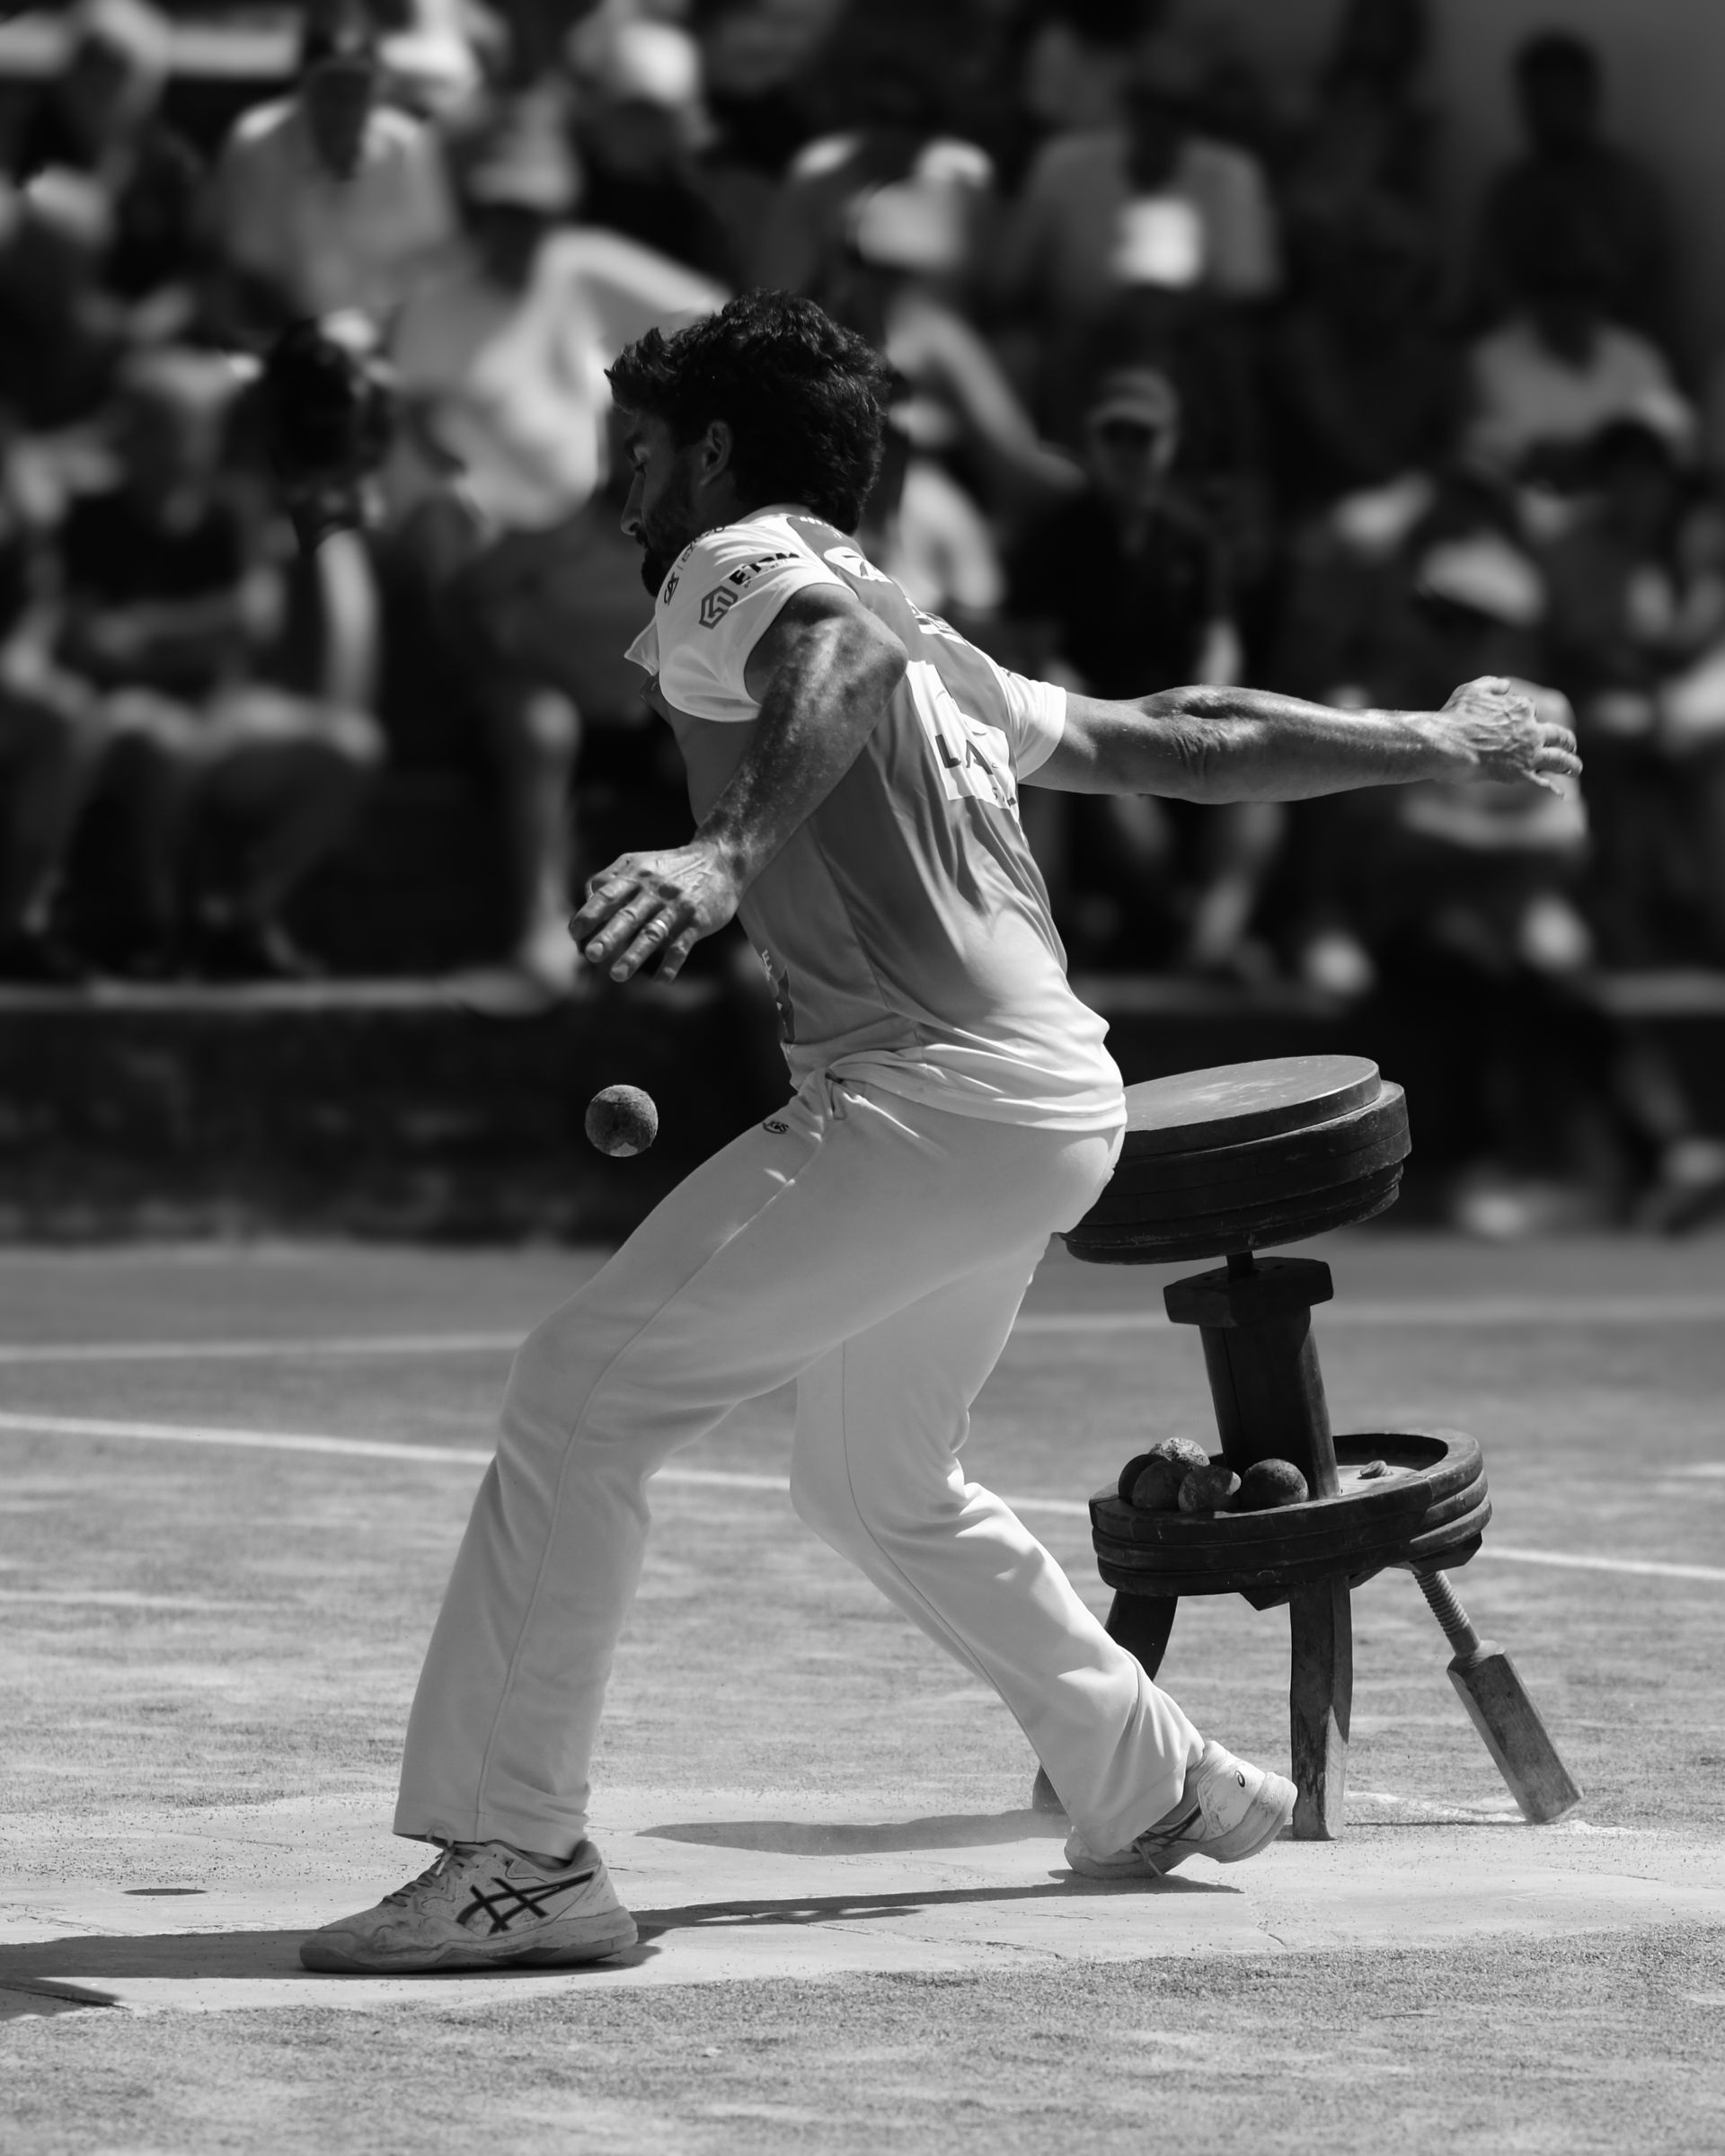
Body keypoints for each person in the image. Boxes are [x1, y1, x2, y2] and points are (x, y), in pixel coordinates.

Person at [300, 292, 1579, 1975]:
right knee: (874, 1477)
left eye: (643, 454)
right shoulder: (936, 643)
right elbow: (1182, 739)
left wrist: (723, 858)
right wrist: (1447, 737)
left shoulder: (743, 565)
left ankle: (519, 1857)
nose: (626, 496)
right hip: (1046, 1098)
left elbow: (828, 656)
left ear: (718, 453)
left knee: (578, 1397)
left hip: (933, 1091)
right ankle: (1149, 1779)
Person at [384, 97, 725, 996]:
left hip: (591, 572)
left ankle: (774, 940)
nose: (519, 229)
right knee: (539, 720)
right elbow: (429, 489)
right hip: (495, 597)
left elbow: (723, 327)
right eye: (503, 209)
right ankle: (540, 926)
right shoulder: (435, 306)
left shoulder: (583, 268)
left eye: (534, 210)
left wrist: (655, 437)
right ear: (476, 211)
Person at [56, 348, 384, 976]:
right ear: (133, 435)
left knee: (349, 750)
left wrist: (148, 632)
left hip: (224, 710)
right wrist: (202, 631)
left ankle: (243, 917)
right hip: (126, 717)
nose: (184, 447)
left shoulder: (232, 511)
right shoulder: (93, 517)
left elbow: (254, 623)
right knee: (164, 741)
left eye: (194, 430)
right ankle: (155, 924)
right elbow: (91, 644)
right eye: (166, 429)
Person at [209, 0, 456, 336]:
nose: (345, 103)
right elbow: (250, 274)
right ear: (303, 86)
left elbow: (430, 263)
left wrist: (376, 333)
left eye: (357, 87)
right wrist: (314, 339)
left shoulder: (409, 145)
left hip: (386, 339)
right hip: (281, 340)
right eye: (332, 87)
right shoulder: (254, 140)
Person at [1470, 31, 1676, 358]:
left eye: (1561, 98)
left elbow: (1644, 295)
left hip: (1615, 352)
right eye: (1536, 100)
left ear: (1590, 98)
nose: (1548, 113)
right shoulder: (1511, 192)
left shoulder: (1627, 189)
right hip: (1523, 352)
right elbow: (1489, 291)